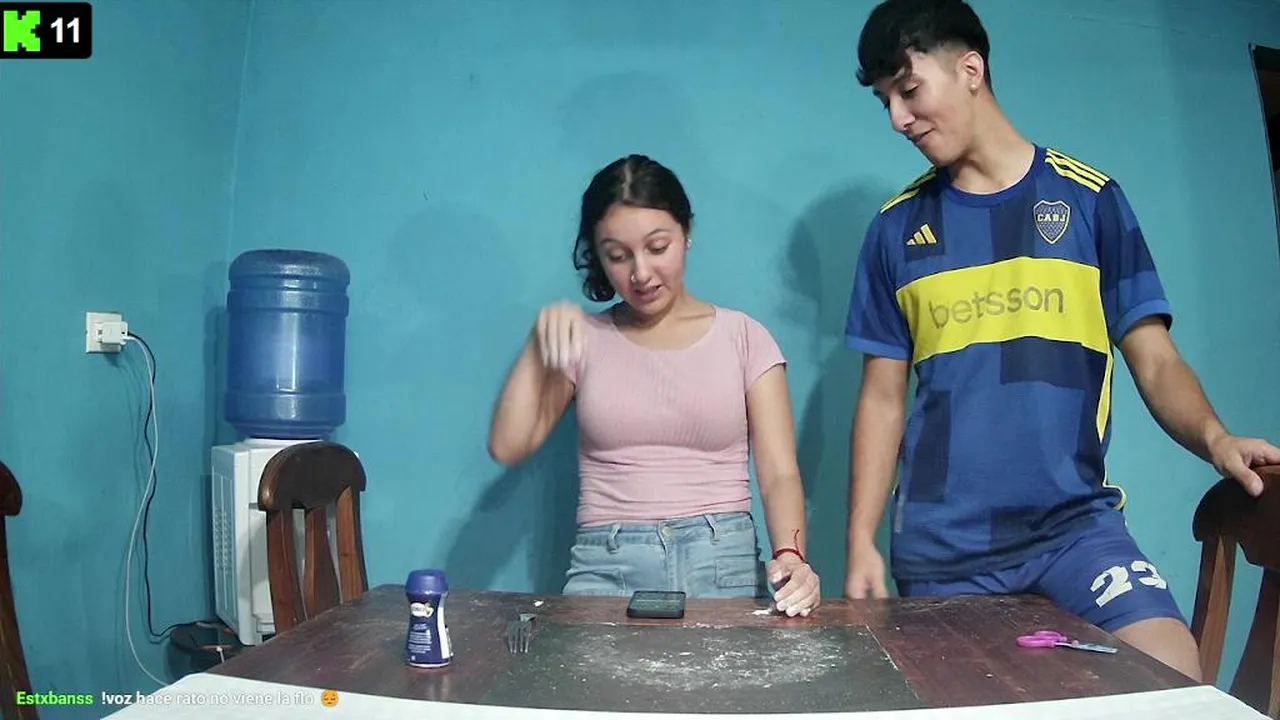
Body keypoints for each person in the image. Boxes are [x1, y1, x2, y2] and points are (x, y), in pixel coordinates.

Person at [841, 0, 1280, 680]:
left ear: (970, 69)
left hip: (1075, 530)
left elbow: (1156, 360)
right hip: (944, 549)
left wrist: (1215, 438)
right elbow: (881, 399)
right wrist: (860, 541)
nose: (898, 118)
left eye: (909, 89)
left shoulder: (1091, 200)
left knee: (1170, 671)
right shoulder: (895, 230)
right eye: (884, 102)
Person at [488, 154, 820, 616]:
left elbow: (780, 472)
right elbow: (508, 446)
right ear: (598, 256)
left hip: (723, 562)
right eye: (618, 256)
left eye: (657, 247)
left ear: (686, 233)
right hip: (607, 564)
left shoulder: (745, 337)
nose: (640, 274)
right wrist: (536, 344)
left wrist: (791, 556)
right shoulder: (582, 340)